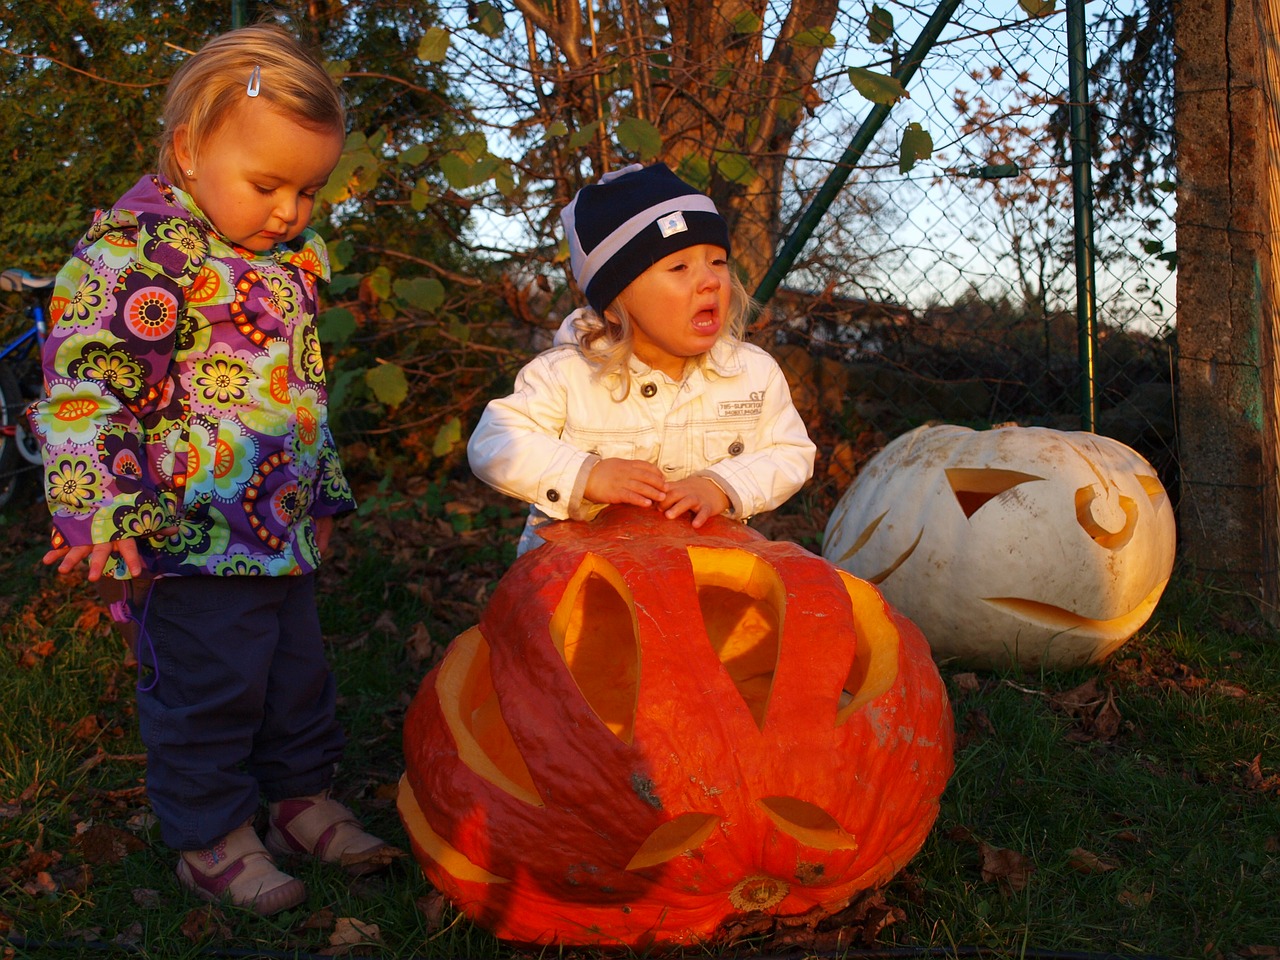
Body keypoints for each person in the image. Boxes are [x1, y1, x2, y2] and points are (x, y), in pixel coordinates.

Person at [29, 23, 397, 917]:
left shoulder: (281, 266)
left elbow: (300, 395)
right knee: (208, 687)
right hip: (187, 533)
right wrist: (102, 512)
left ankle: (298, 797)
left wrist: (324, 494)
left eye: (307, 190)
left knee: (295, 677)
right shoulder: (136, 257)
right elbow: (84, 392)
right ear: (190, 152)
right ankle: (209, 834)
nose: (289, 210)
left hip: (274, 531)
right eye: (266, 184)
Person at [468, 162, 816, 554]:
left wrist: (722, 485)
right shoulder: (568, 376)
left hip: (706, 562)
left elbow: (790, 452)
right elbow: (494, 441)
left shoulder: (753, 374)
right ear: (616, 305)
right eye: (680, 266)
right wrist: (586, 475)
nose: (710, 280)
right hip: (581, 573)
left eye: (717, 261)